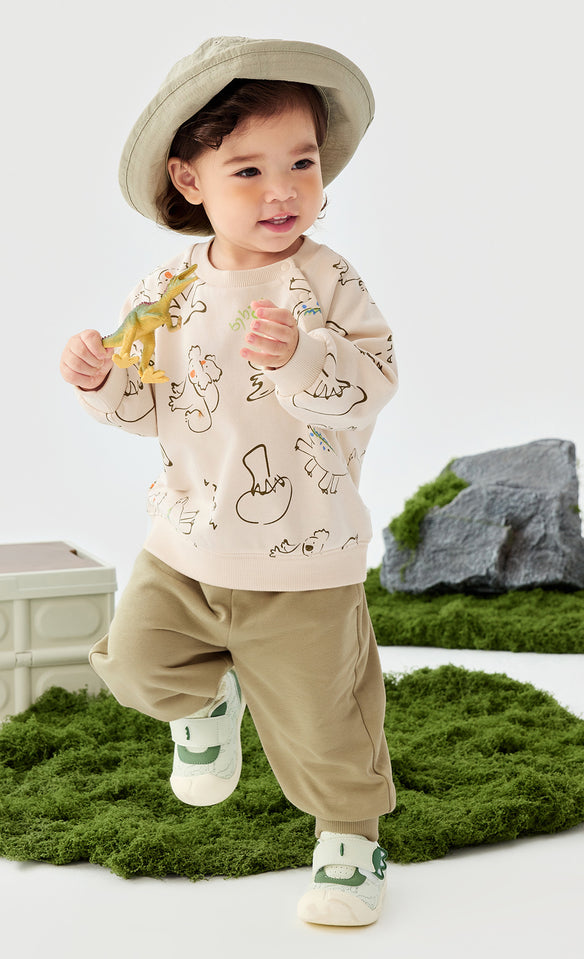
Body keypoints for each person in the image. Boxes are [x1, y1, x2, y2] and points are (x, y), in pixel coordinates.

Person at [60, 36, 398, 927]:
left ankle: (350, 842)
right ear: (190, 179)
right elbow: (150, 404)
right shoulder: (168, 286)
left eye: (301, 163)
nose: (281, 190)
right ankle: (209, 701)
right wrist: (103, 382)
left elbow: (373, 384)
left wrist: (302, 356)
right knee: (135, 663)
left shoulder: (324, 280)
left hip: (305, 556)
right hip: (187, 542)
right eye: (247, 170)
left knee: (327, 717)